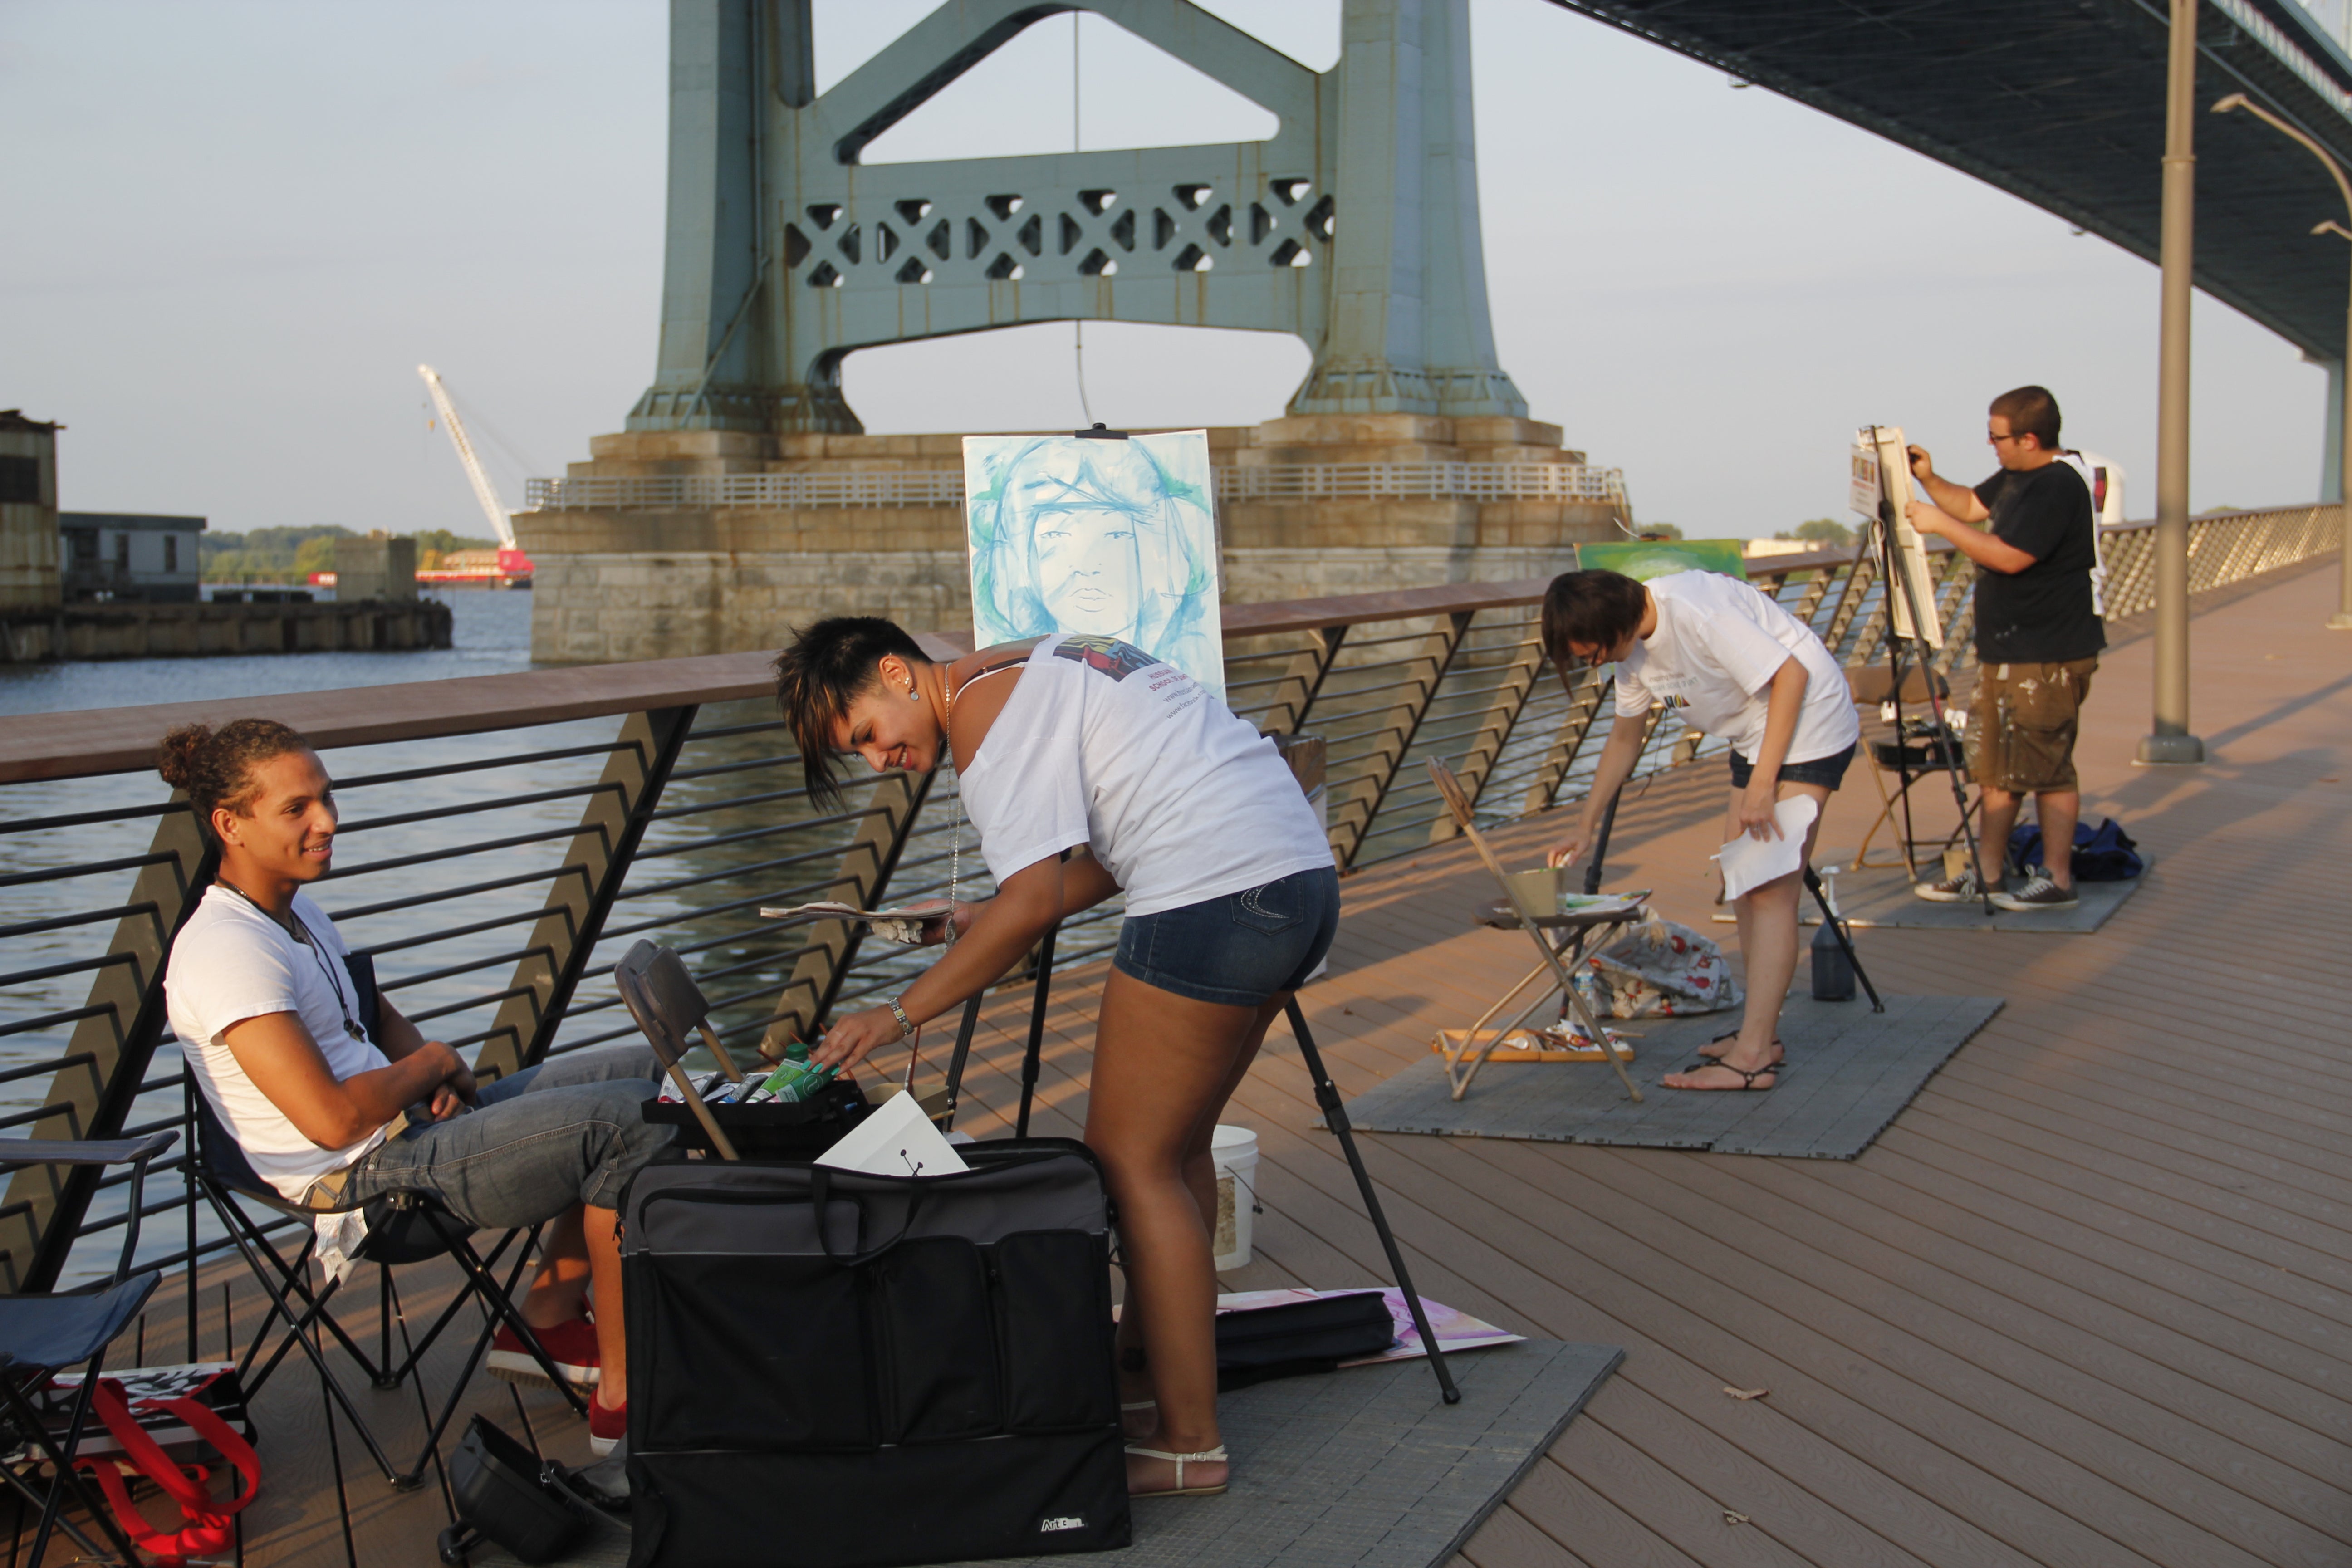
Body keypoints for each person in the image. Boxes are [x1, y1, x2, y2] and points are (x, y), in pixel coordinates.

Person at [775, 617, 1337, 1499]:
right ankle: (1143, 1387)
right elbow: (1106, 861)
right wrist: (979, 915)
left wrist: (895, 1011)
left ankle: (1190, 1444)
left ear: (895, 672)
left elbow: (1032, 904)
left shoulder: (982, 723)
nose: (879, 760)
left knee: (1126, 1165)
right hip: (1298, 878)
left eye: (867, 735)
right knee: (1176, 1156)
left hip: (1213, 895)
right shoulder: (1034, 660)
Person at [158, 720, 674, 1456]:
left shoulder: (294, 910)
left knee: (646, 1076)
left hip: (411, 1133)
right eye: (297, 808)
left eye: (326, 797)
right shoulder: (225, 950)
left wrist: (445, 1075)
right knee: (632, 1125)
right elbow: (332, 1119)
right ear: (228, 824)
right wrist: (430, 1065)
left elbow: (367, 1012)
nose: (327, 820)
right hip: (368, 1188)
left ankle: (549, 1321)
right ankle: (625, 1405)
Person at [1540, 569, 1858, 1092]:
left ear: (1615, 622)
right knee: (1741, 884)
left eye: (1594, 653)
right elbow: (1625, 738)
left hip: (1809, 721)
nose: (1595, 664)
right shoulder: (1630, 651)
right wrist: (1584, 825)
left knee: (1771, 889)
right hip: (1753, 732)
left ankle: (1753, 1058)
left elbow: (1793, 676)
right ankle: (1762, 1032)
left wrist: (1763, 785)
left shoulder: (1697, 610)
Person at [1904, 384, 2104, 911]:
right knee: (1994, 767)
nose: (1991, 446)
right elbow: (1971, 505)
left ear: (2030, 438)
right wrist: (1927, 478)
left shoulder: (2057, 487)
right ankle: (1987, 874)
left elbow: (2011, 557)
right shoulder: (2020, 477)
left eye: (1997, 438)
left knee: (2047, 766)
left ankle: (2056, 879)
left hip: (2048, 652)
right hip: (2009, 651)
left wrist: (1940, 526)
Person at [967, 437, 1221, 694]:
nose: (1089, 566)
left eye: (1116, 535)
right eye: (1055, 535)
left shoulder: (1190, 668)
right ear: (1018, 554)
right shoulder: (1015, 684)